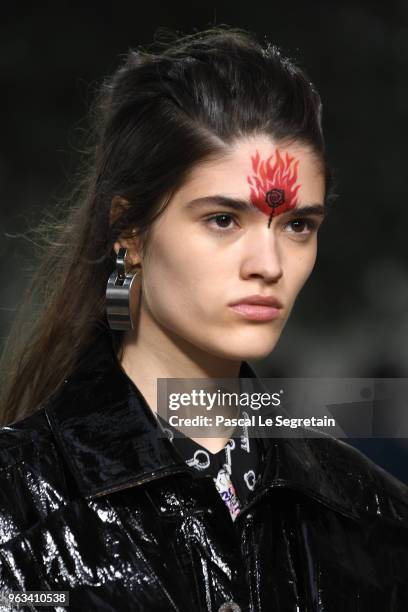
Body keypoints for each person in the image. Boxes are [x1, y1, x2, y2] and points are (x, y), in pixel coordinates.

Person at [0, 26, 407, 612]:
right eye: (222, 220)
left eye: (298, 226)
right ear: (129, 233)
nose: (268, 265)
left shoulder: (376, 518)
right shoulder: (18, 508)